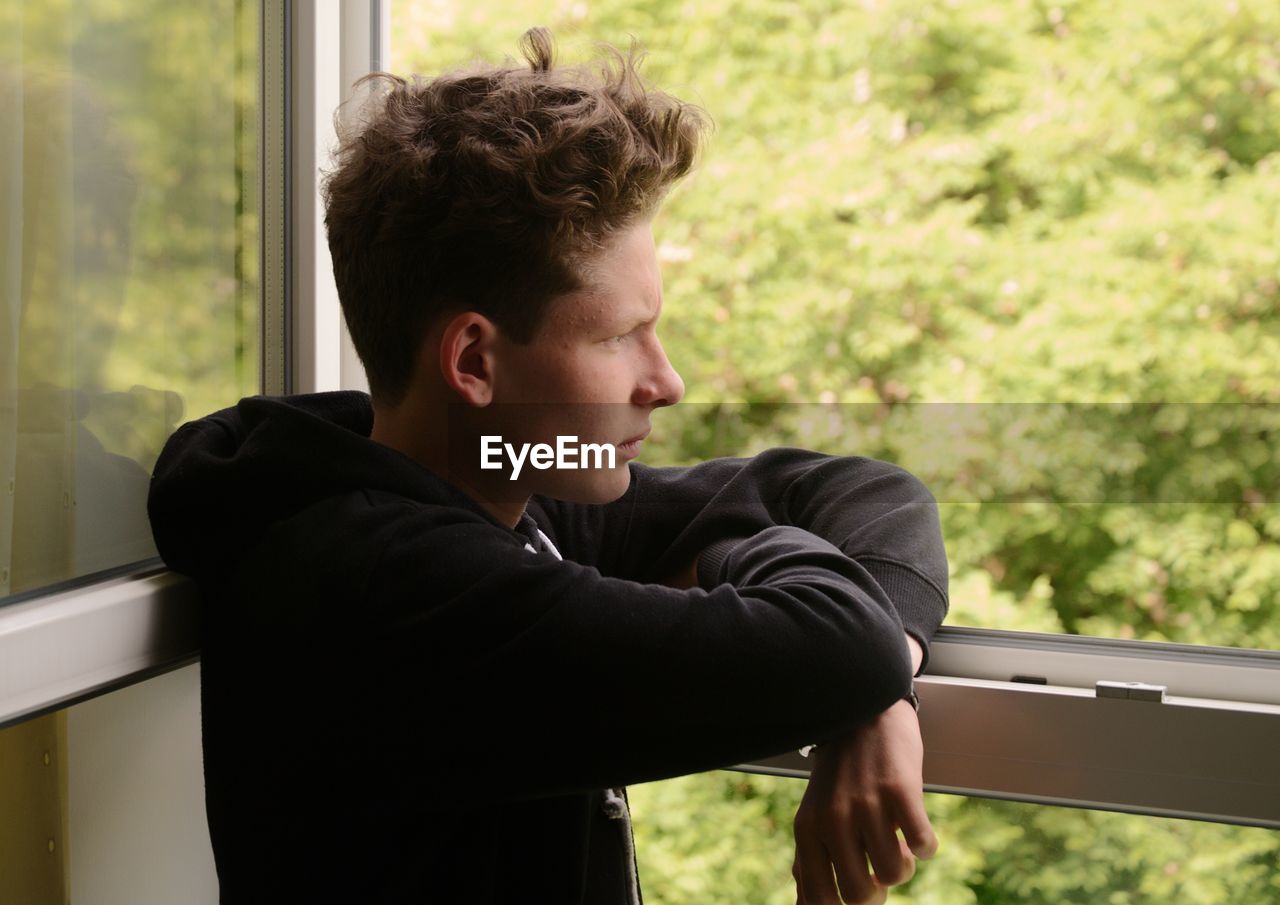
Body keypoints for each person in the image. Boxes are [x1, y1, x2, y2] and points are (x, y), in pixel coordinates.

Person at [147, 27, 947, 905]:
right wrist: (824, 625)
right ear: (475, 363)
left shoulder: (499, 489)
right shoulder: (401, 596)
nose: (667, 381)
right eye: (616, 337)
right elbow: (837, 641)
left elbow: (867, 494)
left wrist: (882, 683)